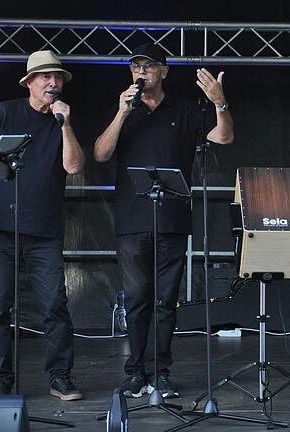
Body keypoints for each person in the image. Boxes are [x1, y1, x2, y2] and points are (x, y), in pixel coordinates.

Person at [93, 43, 234, 398]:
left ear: (165, 71)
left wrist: (220, 103)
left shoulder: (184, 110)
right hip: (131, 220)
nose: (141, 73)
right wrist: (122, 114)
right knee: (137, 298)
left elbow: (224, 136)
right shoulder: (124, 109)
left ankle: (162, 371)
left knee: (165, 301)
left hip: (172, 219)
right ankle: (135, 371)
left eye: (149, 66)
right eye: (136, 66)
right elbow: (100, 153)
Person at [0, 50, 85, 400]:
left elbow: (74, 167)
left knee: (55, 305)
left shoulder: (63, 120)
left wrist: (67, 125)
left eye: (58, 77)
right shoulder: (4, 112)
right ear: (30, 82)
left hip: (44, 230)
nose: (53, 83)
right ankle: (1, 379)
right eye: (45, 77)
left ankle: (60, 376)